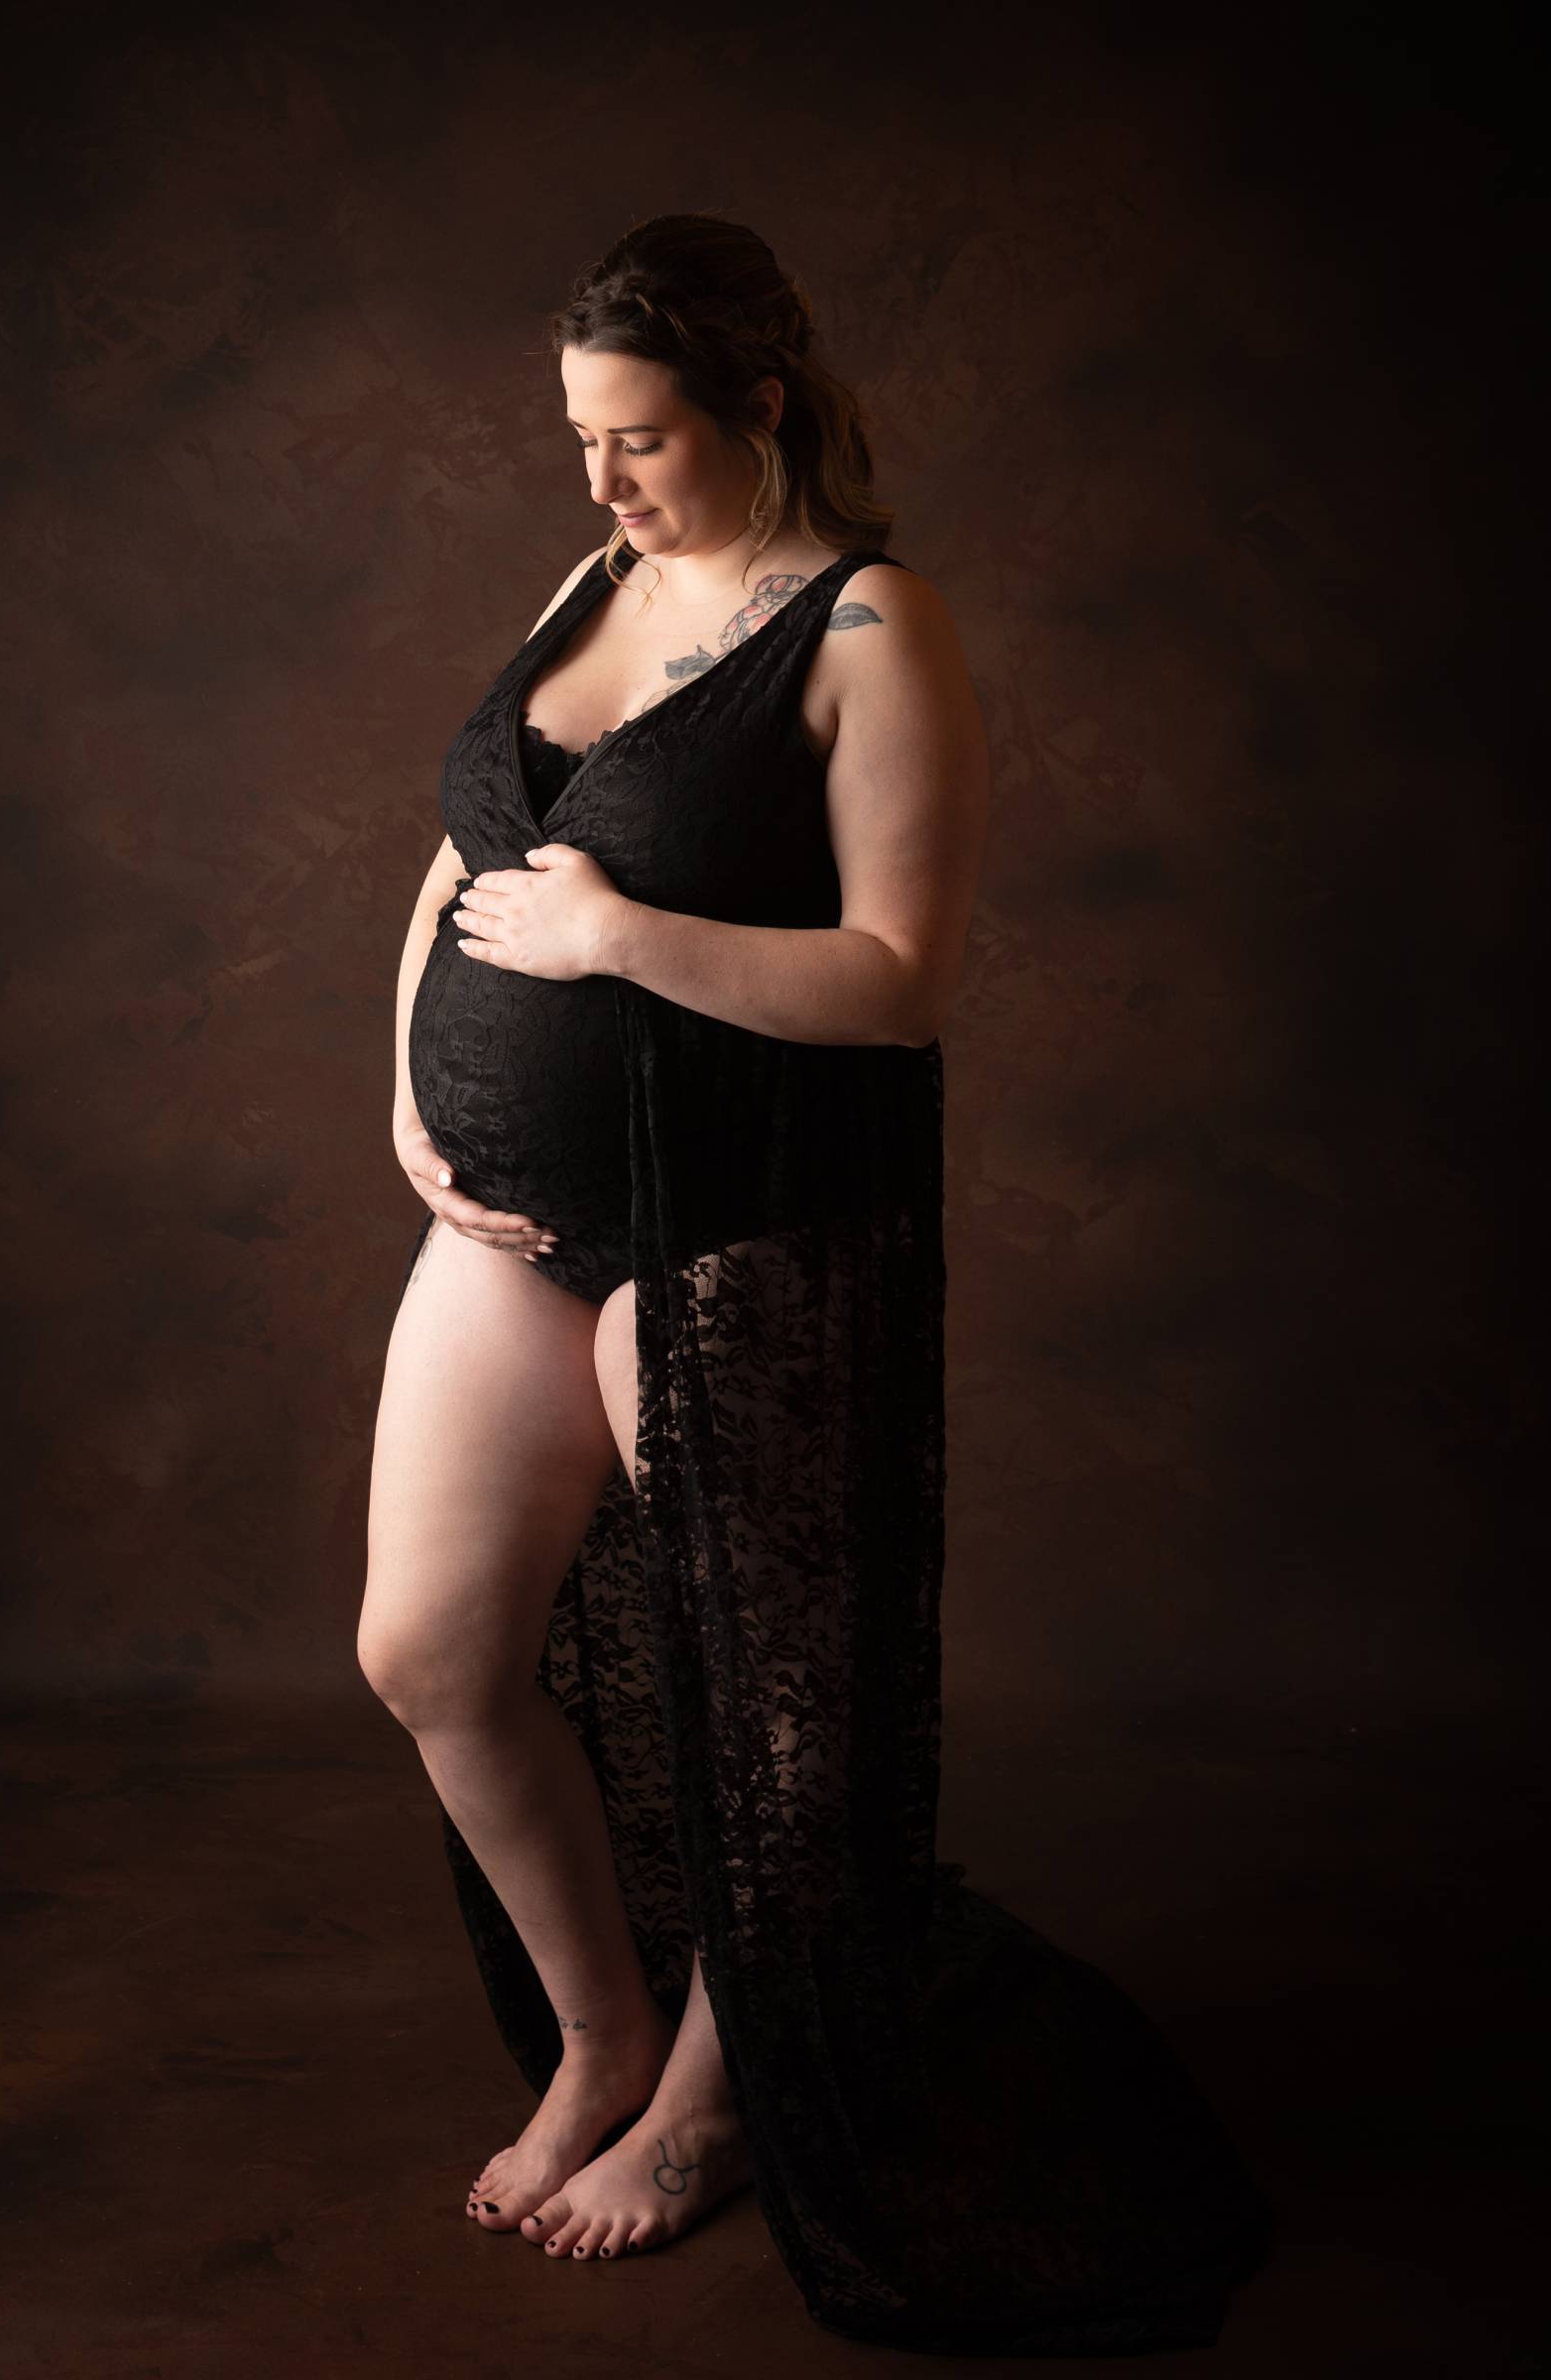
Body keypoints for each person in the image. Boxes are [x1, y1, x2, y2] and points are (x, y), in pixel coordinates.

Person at [360, 213, 1271, 2354]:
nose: (600, 478)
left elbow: (897, 979)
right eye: (581, 437)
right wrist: (406, 1084)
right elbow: (467, 847)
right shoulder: (586, 583)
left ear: (757, 408)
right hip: (516, 1224)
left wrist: (614, 944)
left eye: (642, 438)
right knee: (428, 1652)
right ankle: (603, 2032)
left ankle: (709, 2107)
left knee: (756, 1700)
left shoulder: (873, 628)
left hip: (742, 1216)